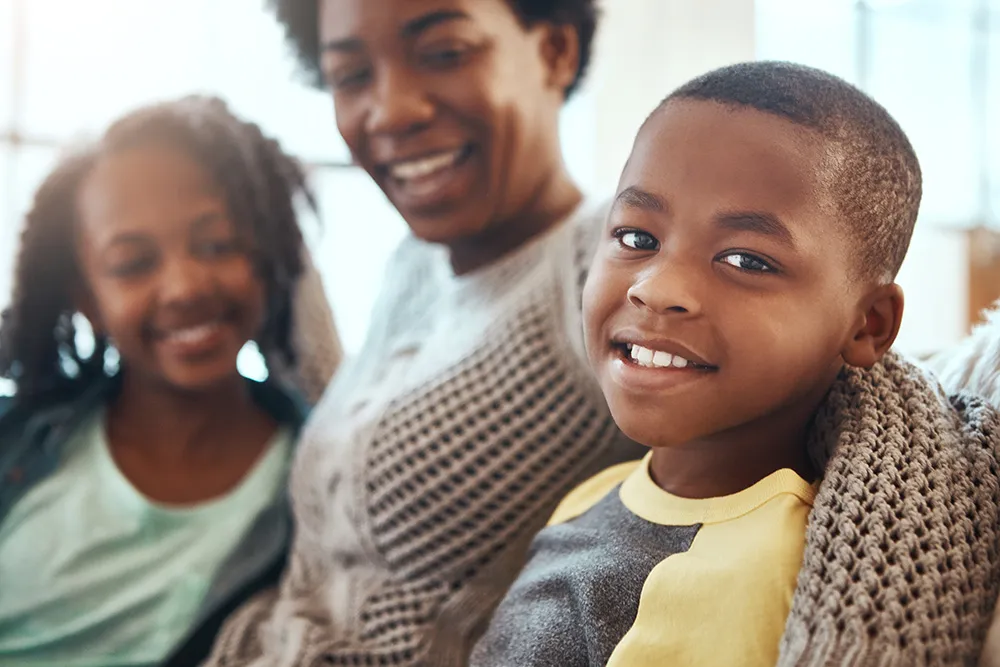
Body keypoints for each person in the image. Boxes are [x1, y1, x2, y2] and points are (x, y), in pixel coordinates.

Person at [471, 62, 1000, 667]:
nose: (657, 287)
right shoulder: (600, 493)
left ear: (868, 324)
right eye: (638, 238)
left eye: (746, 260)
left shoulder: (757, 574)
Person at [203, 0, 641, 665]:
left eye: (443, 54)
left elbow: (840, 428)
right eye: (350, 76)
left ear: (555, 52)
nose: (391, 110)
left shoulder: (613, 262)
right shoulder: (413, 264)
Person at [0, 95, 340, 667]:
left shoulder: (324, 488)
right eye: (133, 264)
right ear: (87, 300)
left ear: (270, 255)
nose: (184, 287)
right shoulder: (17, 440)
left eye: (217, 245)